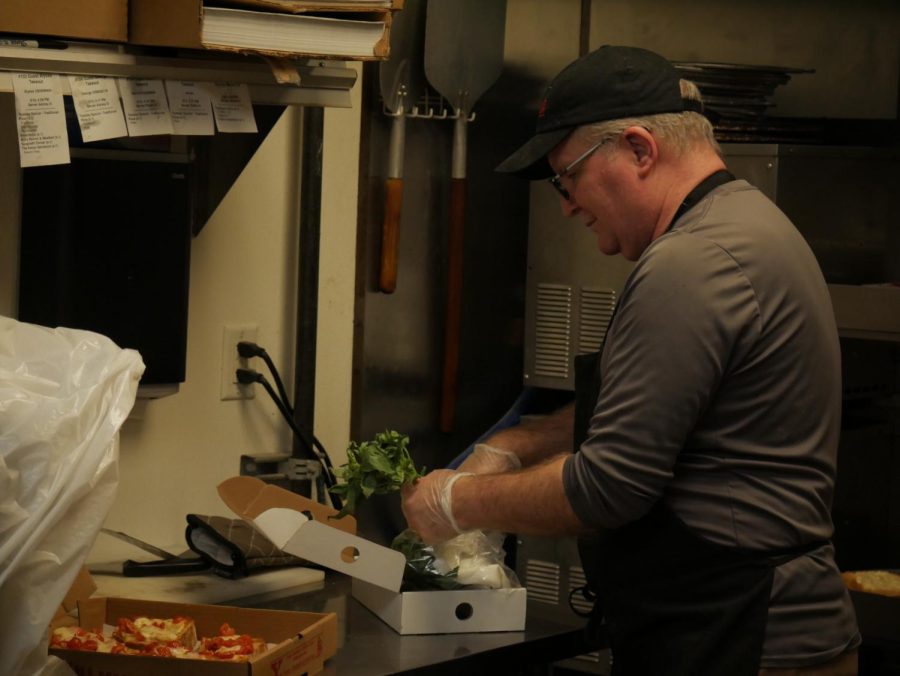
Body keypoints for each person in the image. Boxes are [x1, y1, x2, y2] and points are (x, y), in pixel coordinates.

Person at [401, 45, 861, 675]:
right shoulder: (747, 224)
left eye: (569, 177)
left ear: (641, 150)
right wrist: (522, 441)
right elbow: (668, 407)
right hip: (745, 630)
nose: (566, 204)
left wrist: (457, 500)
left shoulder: (691, 263)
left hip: (742, 638)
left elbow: (608, 488)